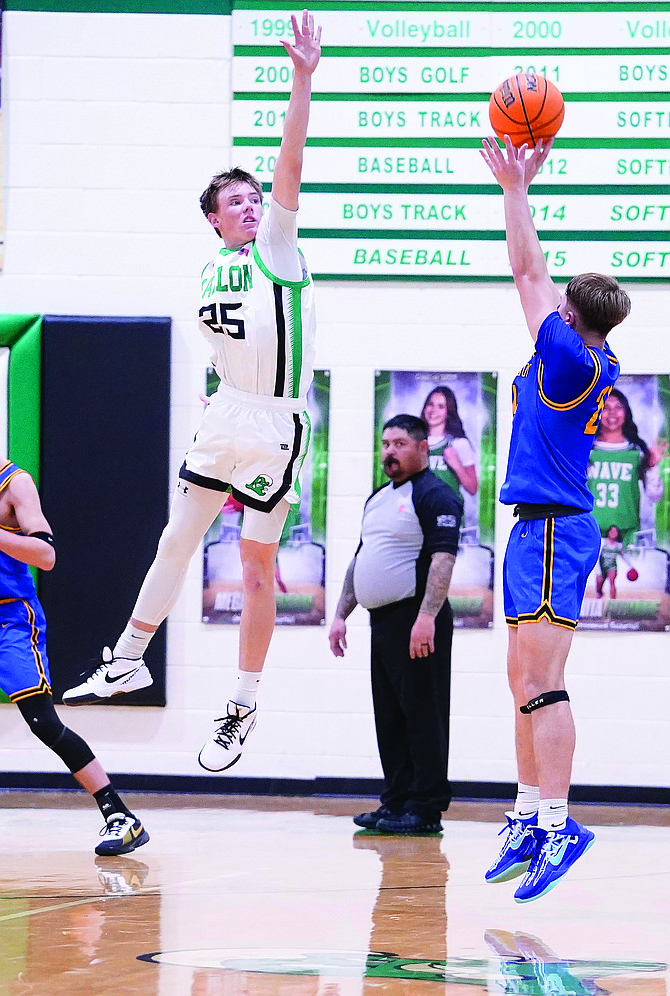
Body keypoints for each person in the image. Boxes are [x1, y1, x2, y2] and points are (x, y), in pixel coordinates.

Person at [62, 10, 322, 775]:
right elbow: (223, 347)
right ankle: (131, 656)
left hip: (277, 424)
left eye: (253, 197)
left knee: (254, 567)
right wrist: (214, 391)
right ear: (214, 221)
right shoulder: (210, 271)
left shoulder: (278, 245)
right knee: (176, 538)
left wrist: (302, 80)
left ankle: (241, 702)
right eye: (235, 202)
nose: (250, 205)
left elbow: (292, 164)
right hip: (227, 415)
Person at [480, 134, 631, 902]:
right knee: (520, 680)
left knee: (542, 681)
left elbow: (524, 268)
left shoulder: (571, 356)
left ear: (571, 316)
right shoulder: (583, 356)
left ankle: (558, 822)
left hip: (551, 528)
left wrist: (514, 187)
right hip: (533, 529)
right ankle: (525, 813)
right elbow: (539, 279)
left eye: (559, 305)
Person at [0, 459, 149, 856]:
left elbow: (45, 556)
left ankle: (119, 816)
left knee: (42, 722)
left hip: (11, 619)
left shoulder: (14, 484)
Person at [329, 415, 462, 834]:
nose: (390, 451)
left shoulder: (436, 495)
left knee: (423, 715)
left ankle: (425, 809)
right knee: (390, 718)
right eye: (385, 443)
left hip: (417, 620)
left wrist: (427, 617)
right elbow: (361, 558)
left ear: (423, 448)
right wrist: (339, 615)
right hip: (383, 622)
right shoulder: (378, 498)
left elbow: (443, 560)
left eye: (400, 443)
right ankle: (397, 801)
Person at [588, 387, 667, 547]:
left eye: (618, 407)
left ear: (626, 412)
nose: (612, 414)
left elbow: (655, 496)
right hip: (590, 535)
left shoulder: (636, 451)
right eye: (606, 408)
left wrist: (651, 467)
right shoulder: (586, 451)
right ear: (598, 412)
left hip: (627, 537)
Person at [420, 386, 478, 498]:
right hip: (420, 511)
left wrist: (456, 465)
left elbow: (473, 488)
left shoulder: (458, 443)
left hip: (449, 512)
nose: (433, 410)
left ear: (448, 412)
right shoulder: (415, 441)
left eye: (441, 407)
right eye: (430, 404)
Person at [595, 525, 635, 599]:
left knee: (612, 583)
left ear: (618, 533)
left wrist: (631, 566)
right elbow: (597, 557)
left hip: (612, 566)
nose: (613, 533)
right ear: (608, 532)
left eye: (615, 531)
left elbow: (624, 557)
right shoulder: (603, 542)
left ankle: (613, 601)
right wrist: (598, 572)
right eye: (611, 531)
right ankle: (599, 592)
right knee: (599, 583)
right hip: (601, 566)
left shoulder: (619, 545)